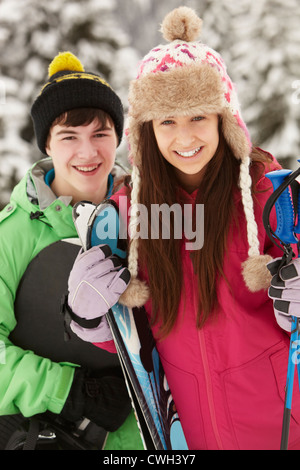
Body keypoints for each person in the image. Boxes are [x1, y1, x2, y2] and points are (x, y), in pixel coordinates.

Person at [66, 7, 300, 450]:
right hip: (187, 435)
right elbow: (139, 341)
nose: (184, 136)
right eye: (167, 121)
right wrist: (89, 318)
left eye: (198, 117)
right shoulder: (128, 215)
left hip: (282, 430)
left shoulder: (272, 200)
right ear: (148, 130)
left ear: (224, 120)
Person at [0, 51, 142, 450]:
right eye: (69, 137)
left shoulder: (150, 219)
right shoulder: (13, 234)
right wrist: (72, 391)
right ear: (47, 142)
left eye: (101, 134)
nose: (88, 152)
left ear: (118, 138)